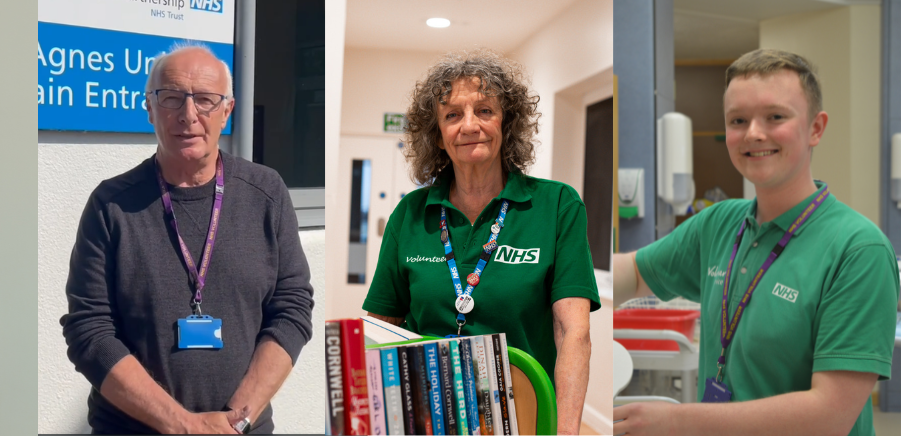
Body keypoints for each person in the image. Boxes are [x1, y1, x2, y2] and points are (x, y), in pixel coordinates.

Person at [612, 49, 897, 436]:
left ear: (816, 128)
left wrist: (678, 421)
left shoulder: (858, 250)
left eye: (775, 117)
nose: (753, 134)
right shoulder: (718, 223)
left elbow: (830, 415)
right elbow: (631, 272)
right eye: (738, 120)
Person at [59, 44, 314, 434]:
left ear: (227, 111)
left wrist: (236, 421)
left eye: (206, 101)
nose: (188, 115)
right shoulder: (111, 205)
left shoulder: (266, 193)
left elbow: (292, 308)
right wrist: (183, 426)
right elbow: (89, 331)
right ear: (149, 108)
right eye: (172, 98)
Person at [360, 48, 599, 435]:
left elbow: (573, 332)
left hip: (522, 413)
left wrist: (567, 430)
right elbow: (381, 327)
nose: (469, 125)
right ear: (437, 136)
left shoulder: (557, 205)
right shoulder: (411, 212)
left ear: (508, 123)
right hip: (426, 413)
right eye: (452, 115)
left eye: (485, 110)